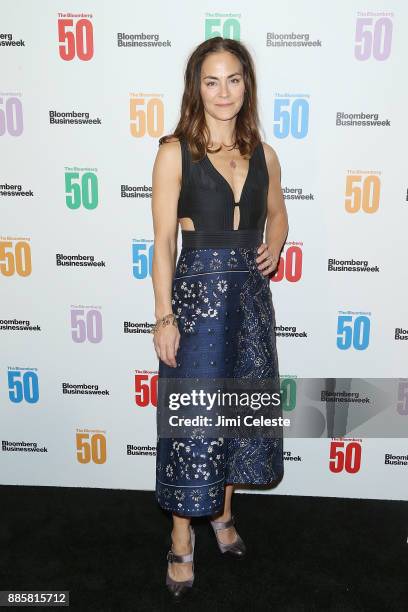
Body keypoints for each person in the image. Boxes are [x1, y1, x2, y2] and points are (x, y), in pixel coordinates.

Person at [151, 36, 289, 599]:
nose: (223, 91)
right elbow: (162, 241)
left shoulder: (264, 153)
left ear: (246, 85)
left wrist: (274, 245)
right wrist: (164, 317)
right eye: (212, 80)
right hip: (197, 303)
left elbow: (277, 215)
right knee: (194, 422)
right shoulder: (173, 150)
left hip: (251, 305)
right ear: (196, 87)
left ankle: (221, 515)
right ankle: (182, 536)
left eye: (234, 79)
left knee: (234, 415)